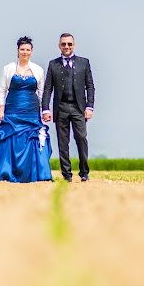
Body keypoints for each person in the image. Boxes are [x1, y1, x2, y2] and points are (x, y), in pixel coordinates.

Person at [0, 36, 53, 182]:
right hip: (12, 109)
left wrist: (45, 111)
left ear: (32, 51)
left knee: (33, 139)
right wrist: (0, 110)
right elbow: (1, 90)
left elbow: (42, 92)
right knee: (9, 138)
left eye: (28, 50)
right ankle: (6, 173)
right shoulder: (8, 68)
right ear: (17, 50)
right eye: (22, 49)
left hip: (31, 110)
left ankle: (37, 174)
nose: (25, 52)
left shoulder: (38, 70)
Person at [42, 33, 95, 182]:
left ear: (74, 45)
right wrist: (45, 109)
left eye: (69, 44)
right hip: (61, 107)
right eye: (64, 44)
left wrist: (90, 106)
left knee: (81, 138)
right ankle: (67, 174)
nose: (67, 47)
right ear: (59, 46)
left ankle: (84, 172)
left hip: (79, 108)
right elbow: (47, 88)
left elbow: (90, 86)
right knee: (62, 142)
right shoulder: (53, 64)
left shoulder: (84, 63)